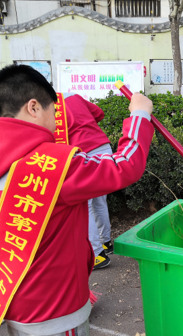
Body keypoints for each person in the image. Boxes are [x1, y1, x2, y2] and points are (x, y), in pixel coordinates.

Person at [0, 64, 154, 336]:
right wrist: (139, 116)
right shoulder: (55, 164)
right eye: (52, 111)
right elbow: (124, 166)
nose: (55, 121)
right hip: (58, 311)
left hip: (10, 303)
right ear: (33, 106)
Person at [59, 93, 114, 269]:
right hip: (104, 148)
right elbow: (98, 113)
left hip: (83, 153)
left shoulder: (45, 106)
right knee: (100, 201)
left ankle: (97, 254)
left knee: (86, 204)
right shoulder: (72, 96)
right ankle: (106, 242)